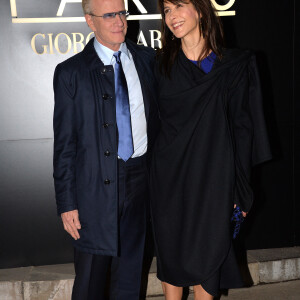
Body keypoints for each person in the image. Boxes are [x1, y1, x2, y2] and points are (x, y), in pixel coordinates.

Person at [150, 0, 272, 299]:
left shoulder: (234, 65)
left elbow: (243, 132)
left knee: (208, 258)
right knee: (172, 259)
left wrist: (241, 190)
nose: (172, 16)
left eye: (178, 6)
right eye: (166, 10)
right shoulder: (158, 65)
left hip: (214, 181)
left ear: (201, 9)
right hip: (169, 183)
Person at [53, 0, 159, 299]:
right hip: (92, 189)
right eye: (109, 15)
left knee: (130, 276)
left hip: (140, 181)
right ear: (90, 20)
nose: (119, 21)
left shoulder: (148, 59)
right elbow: (65, 144)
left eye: (122, 13)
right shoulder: (70, 72)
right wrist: (66, 202)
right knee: (90, 280)